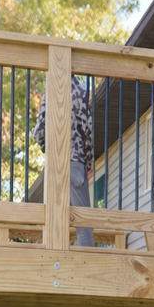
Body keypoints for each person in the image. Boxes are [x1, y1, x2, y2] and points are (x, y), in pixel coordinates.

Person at [32, 77, 95, 247]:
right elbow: (88, 131)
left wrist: (49, 149)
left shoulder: (51, 91)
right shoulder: (81, 92)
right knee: (84, 224)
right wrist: (87, 163)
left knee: (55, 219)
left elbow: (40, 130)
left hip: (56, 162)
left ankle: (55, 262)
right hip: (76, 161)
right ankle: (87, 265)